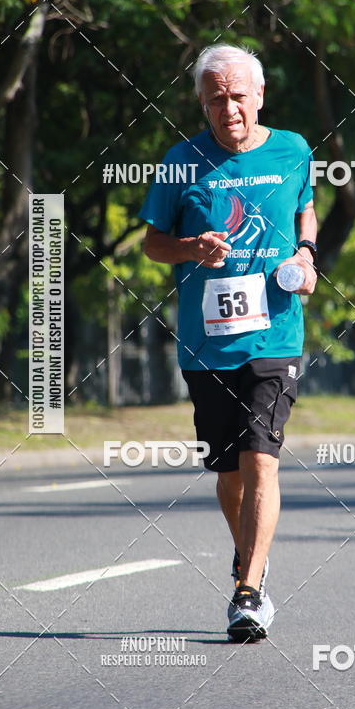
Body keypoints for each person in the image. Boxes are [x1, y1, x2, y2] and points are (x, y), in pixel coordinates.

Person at [140, 43, 317, 642]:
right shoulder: (179, 162)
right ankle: (249, 557)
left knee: (262, 455)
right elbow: (152, 243)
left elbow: (306, 212)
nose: (229, 107)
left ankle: (249, 591)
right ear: (201, 103)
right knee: (229, 470)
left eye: (238, 95)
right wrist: (192, 249)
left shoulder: (294, 150)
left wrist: (307, 254)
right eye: (216, 98)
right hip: (207, 343)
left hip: (276, 333)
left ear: (259, 96)